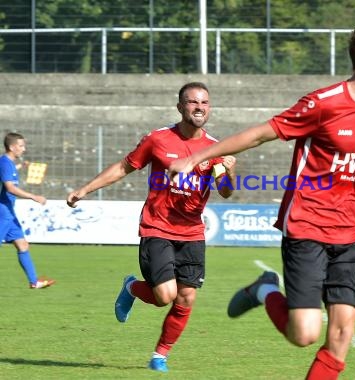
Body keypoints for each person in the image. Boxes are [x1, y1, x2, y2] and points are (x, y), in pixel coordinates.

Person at [168, 19, 355, 379]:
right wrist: (195, 158)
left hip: (352, 233)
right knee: (304, 334)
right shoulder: (323, 104)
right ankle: (265, 292)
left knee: (341, 336)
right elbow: (262, 133)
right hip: (307, 227)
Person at [66, 82, 237, 373]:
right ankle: (131, 287)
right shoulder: (158, 139)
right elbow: (123, 167)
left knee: (186, 297)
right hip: (157, 226)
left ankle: (160, 355)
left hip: (192, 232)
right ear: (180, 106)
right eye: (193, 102)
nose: (199, 107)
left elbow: (226, 191)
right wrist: (85, 189)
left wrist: (230, 169)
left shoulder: (215, 147)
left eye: (204, 102)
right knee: (164, 297)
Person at [0, 132, 56, 289]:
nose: (24, 149)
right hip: (2, 212)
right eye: (21, 146)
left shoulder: (9, 163)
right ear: (12, 147)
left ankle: (34, 281)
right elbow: (9, 188)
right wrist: (33, 196)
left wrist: (20, 166)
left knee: (23, 245)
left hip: (9, 213)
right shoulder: (5, 163)